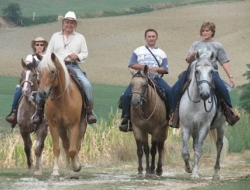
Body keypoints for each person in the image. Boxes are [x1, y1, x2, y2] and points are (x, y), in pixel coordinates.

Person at [170, 21, 240, 128]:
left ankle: (230, 112)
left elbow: (223, 62)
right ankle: (174, 114)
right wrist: (192, 54)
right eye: (203, 30)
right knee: (175, 88)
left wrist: (231, 76)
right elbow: (188, 60)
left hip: (210, 72)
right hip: (194, 71)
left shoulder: (217, 46)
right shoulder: (195, 44)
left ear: (212, 32)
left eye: (207, 30)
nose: (205, 32)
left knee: (223, 89)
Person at [41, 11, 97, 124]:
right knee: (42, 84)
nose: (69, 25)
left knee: (87, 84)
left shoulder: (80, 38)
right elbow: (48, 53)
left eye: (72, 23)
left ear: (75, 25)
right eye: (67, 22)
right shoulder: (55, 36)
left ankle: (89, 111)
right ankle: (38, 111)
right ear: (63, 23)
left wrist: (77, 56)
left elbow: (85, 53)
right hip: (55, 67)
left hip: (72, 66)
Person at [119, 28, 174, 132]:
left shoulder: (161, 53)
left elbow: (165, 69)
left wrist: (156, 69)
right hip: (140, 78)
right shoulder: (138, 50)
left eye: (153, 36)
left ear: (157, 38)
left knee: (169, 91)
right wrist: (142, 67)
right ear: (145, 38)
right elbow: (131, 64)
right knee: (126, 95)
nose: (151, 38)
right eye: (149, 36)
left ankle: (171, 115)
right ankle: (126, 119)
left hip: (155, 78)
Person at [6, 37, 48, 127]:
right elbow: (27, 67)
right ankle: (14, 112)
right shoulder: (30, 56)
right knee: (18, 90)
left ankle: (52, 116)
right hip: (31, 80)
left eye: (41, 45)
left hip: (42, 82)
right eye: (37, 45)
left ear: (44, 46)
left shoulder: (47, 57)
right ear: (34, 46)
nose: (39, 47)